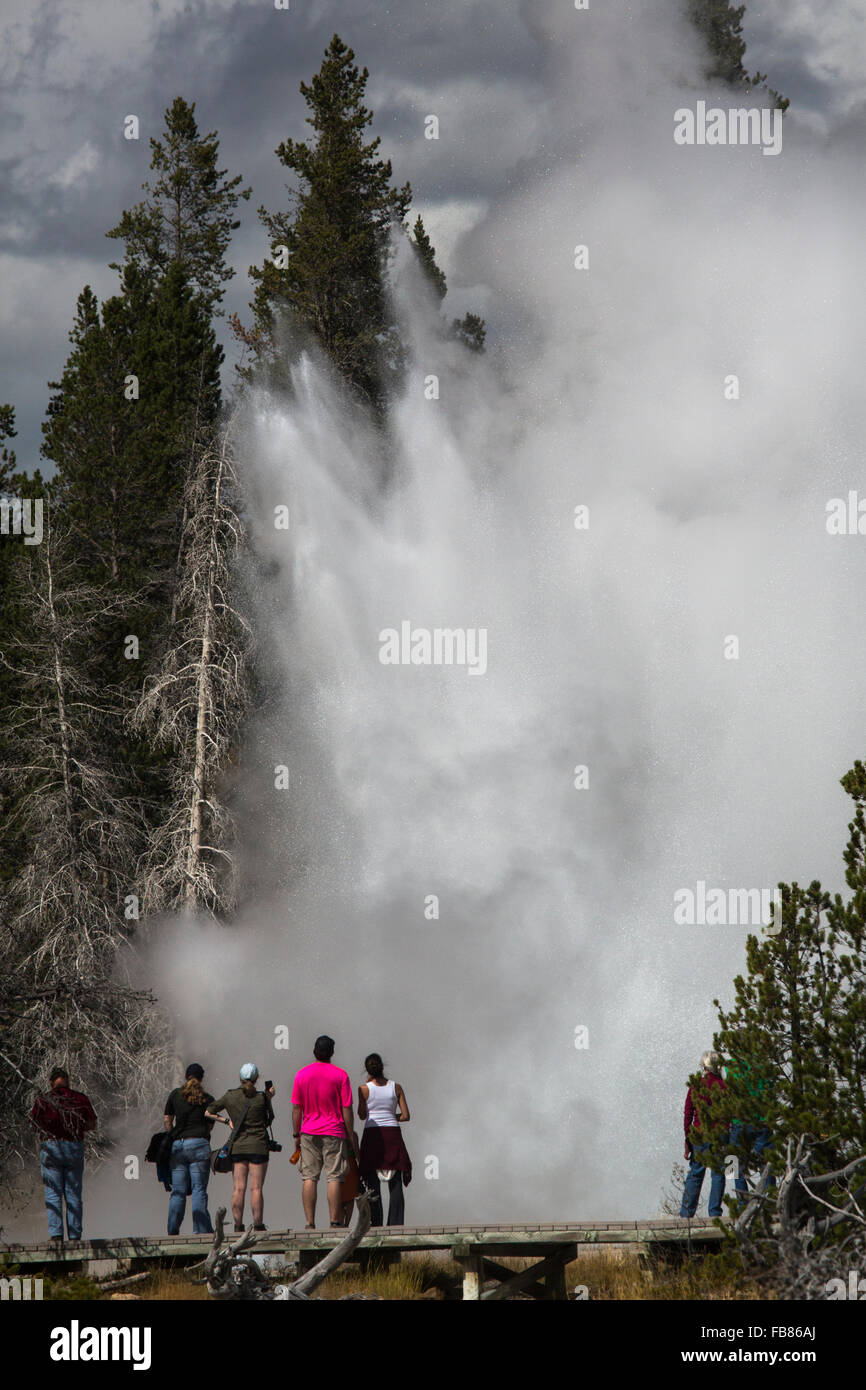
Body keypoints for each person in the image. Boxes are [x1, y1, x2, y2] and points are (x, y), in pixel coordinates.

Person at [291, 1036, 359, 1230]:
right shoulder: (341, 1076)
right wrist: (349, 1134)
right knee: (334, 1177)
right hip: (334, 1131)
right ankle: (334, 1221)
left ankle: (309, 1223)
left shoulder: (301, 1075)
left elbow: (297, 1108)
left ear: (314, 1051)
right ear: (332, 1053)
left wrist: (296, 1135)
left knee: (309, 1177)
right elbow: (347, 1109)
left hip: (309, 1131)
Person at [29, 1066, 97, 1243]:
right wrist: (76, 1127)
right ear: (68, 1081)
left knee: (53, 1193)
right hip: (73, 1146)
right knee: (73, 1194)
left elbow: (34, 1123)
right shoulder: (80, 1098)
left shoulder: (44, 1099)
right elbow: (92, 1124)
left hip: (51, 1147)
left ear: (51, 1082)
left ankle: (56, 1235)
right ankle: (75, 1236)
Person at [206, 1064, 275, 1232]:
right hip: (258, 1146)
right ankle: (258, 1225)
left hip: (238, 1147)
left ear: (239, 1077)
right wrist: (269, 1097)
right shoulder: (262, 1098)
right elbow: (268, 1120)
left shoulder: (230, 1096)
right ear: (257, 1078)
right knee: (256, 1188)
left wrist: (227, 1121)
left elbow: (208, 1112)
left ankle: (238, 1225)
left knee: (238, 1188)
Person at [357, 1052, 412, 1227]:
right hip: (392, 1134)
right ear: (382, 1067)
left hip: (373, 1134)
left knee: (373, 1180)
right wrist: (390, 1116)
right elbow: (405, 1116)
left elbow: (361, 1115)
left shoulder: (364, 1089)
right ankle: (396, 1223)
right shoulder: (396, 1087)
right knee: (395, 1181)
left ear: (367, 1069)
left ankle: (376, 1222)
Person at [163, 1063, 215, 1235]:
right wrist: (202, 1136)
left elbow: (167, 1120)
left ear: (186, 1077)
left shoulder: (175, 1095)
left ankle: (172, 1230)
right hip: (199, 1144)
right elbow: (209, 1126)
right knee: (199, 1189)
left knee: (178, 1190)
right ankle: (199, 1230)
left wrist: (172, 1135)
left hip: (178, 1145)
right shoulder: (207, 1099)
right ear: (201, 1078)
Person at [679, 1050, 727, 1219]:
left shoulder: (697, 1085)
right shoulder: (723, 1086)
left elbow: (688, 1113)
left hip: (699, 1134)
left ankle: (686, 1214)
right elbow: (729, 1113)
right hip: (720, 1136)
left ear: (704, 1066)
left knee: (695, 1173)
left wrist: (687, 1139)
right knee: (719, 1174)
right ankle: (714, 1214)